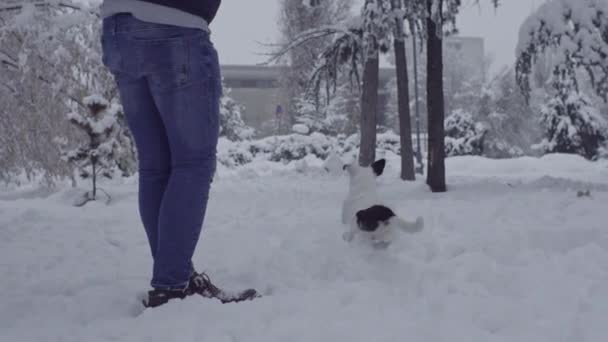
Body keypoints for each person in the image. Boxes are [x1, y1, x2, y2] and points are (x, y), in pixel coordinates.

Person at [100, 0, 257, 308]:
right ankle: (171, 286)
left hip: (118, 29)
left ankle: (176, 277)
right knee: (192, 164)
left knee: (156, 165)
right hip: (175, 29)